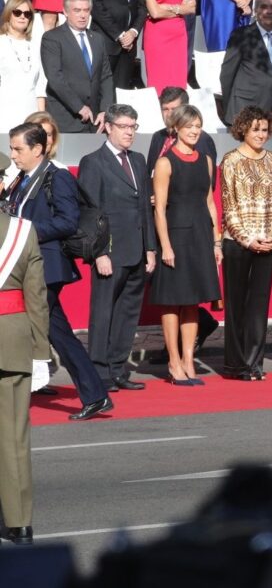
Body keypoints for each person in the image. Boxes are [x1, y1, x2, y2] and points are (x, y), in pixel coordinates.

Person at [4, 122, 112, 420]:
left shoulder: (57, 177)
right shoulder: (21, 180)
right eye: (12, 148)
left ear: (37, 149)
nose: (13, 155)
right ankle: (96, 395)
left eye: (18, 149)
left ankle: (20, 386)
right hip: (29, 267)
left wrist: (24, 232)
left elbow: (68, 222)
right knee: (58, 332)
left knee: (29, 328)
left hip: (47, 267)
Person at [78, 104, 156, 392]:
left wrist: (150, 248)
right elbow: (89, 213)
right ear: (108, 127)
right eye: (123, 126)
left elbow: (144, 209)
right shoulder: (93, 162)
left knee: (127, 313)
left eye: (133, 126)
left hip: (137, 249)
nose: (129, 132)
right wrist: (99, 253)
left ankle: (118, 367)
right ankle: (99, 372)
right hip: (109, 252)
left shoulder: (137, 160)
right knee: (103, 313)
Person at [151, 104, 222, 386]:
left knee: (192, 302)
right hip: (176, 236)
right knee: (172, 302)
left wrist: (216, 241)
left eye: (198, 125)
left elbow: (209, 203)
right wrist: (165, 246)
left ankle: (189, 359)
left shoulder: (205, 159)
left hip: (200, 236)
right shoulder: (165, 162)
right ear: (176, 128)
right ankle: (173, 361)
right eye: (189, 126)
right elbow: (159, 209)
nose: (194, 131)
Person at [0, 155, 49, 546]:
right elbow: (36, 298)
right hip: (13, 341)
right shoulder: (22, 230)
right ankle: (19, 523)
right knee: (13, 438)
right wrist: (41, 351)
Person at [220, 106, 272, 381]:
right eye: (255, 129)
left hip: (268, 243)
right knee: (236, 305)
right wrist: (248, 239)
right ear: (243, 129)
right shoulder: (231, 161)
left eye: (264, 129)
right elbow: (229, 206)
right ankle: (236, 365)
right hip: (237, 243)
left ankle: (255, 363)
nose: (261, 134)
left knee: (259, 306)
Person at [40, 0, 114, 134]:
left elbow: (106, 76)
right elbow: (55, 78)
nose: (82, 15)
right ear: (65, 12)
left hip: (95, 121)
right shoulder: (52, 38)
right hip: (66, 118)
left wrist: (105, 110)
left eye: (86, 10)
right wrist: (78, 106)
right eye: (77, 10)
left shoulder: (97, 39)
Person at [220, 0, 272, 129]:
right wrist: (230, 108)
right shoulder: (241, 36)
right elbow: (227, 75)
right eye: (264, 6)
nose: (269, 11)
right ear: (255, 10)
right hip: (245, 110)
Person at [0, 0, 46, 133]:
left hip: (31, 113)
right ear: (8, 14)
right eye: (17, 12)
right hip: (5, 111)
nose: (22, 17)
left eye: (27, 14)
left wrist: (41, 119)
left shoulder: (35, 46)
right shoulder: (1, 43)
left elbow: (40, 87)